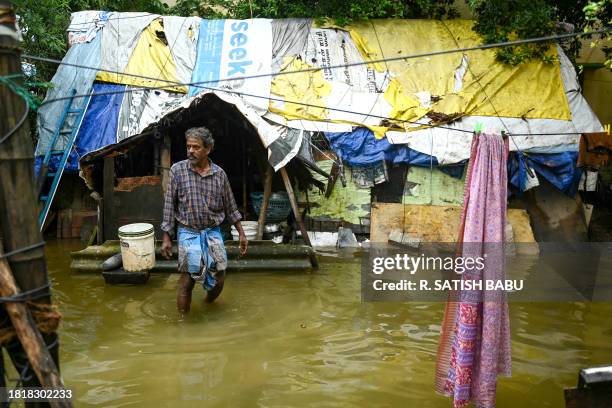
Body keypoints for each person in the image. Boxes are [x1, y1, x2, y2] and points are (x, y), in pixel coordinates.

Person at [161, 126, 248, 313]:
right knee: (188, 279)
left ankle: (209, 304)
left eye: (196, 147)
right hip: (188, 231)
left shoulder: (219, 175)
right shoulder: (178, 170)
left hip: (212, 231)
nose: (190, 151)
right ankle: (183, 326)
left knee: (220, 275)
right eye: (188, 146)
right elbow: (169, 205)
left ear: (207, 149)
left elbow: (231, 206)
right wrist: (167, 237)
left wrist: (241, 233)